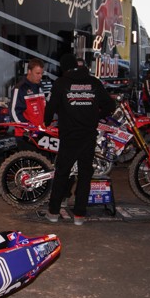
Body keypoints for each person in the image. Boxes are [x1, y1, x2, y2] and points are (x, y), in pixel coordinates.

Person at [39, 53, 116, 225]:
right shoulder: (94, 82)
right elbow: (110, 105)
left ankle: (53, 213)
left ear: (64, 68)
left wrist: (46, 122)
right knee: (84, 174)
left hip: (69, 136)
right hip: (88, 135)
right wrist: (96, 116)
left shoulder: (61, 83)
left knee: (62, 173)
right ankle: (79, 215)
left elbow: (50, 107)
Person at [10, 57, 46, 124]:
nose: (40, 76)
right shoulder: (19, 88)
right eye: (37, 73)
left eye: (42, 73)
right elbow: (14, 113)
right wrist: (27, 127)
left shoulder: (39, 87)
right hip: (26, 130)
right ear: (29, 71)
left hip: (39, 128)